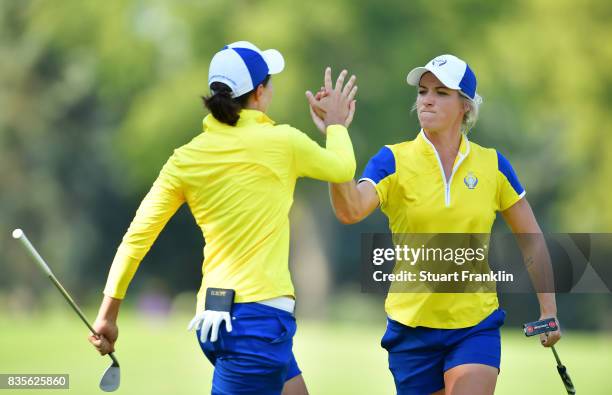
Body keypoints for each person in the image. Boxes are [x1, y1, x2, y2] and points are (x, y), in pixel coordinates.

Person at [88, 41, 358, 395]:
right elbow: (343, 167)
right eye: (270, 83)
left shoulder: (185, 157)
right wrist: (335, 126)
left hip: (214, 321)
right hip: (257, 324)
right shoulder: (284, 142)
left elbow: (137, 238)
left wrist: (108, 315)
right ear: (259, 93)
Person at [323, 54, 561, 395]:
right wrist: (337, 136)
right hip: (411, 329)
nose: (427, 99)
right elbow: (350, 210)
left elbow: (531, 238)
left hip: (474, 325)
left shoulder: (492, 165)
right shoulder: (392, 159)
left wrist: (548, 309)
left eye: (441, 92)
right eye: (422, 91)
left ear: (465, 106)